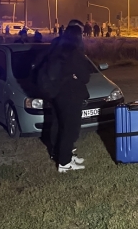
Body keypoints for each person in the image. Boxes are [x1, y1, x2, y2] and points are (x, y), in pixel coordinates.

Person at [47, 19, 91, 173]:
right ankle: (64, 163)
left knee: (59, 125)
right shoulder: (75, 53)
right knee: (70, 130)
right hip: (70, 95)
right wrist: (75, 75)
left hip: (57, 93)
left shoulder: (57, 48)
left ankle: (63, 156)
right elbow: (85, 77)